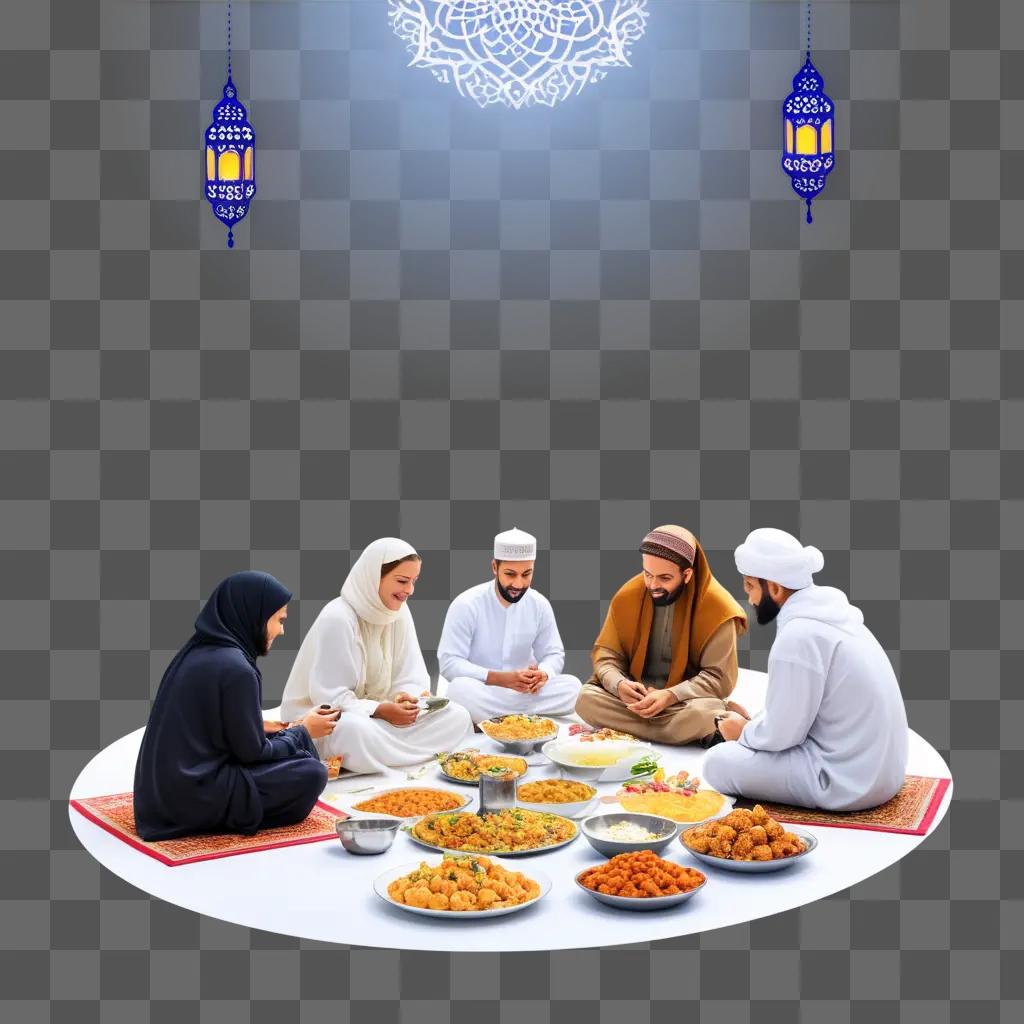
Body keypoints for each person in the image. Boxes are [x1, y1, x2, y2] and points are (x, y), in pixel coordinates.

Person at [702, 528, 909, 811]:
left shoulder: (798, 635)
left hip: (843, 781)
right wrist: (755, 724)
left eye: (750, 587)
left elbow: (784, 736)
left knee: (718, 762)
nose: (748, 599)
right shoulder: (838, 618)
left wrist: (742, 733)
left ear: (773, 587)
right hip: (886, 776)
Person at [133, 571, 333, 841]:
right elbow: (251, 754)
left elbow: (204, 727)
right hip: (193, 796)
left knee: (295, 753)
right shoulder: (237, 669)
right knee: (311, 772)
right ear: (255, 615)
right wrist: (303, 731)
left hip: (159, 797)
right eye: (279, 620)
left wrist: (260, 728)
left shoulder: (196, 651)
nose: (282, 630)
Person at [280, 538, 473, 774]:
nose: (409, 590)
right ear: (373, 578)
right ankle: (401, 757)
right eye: (402, 581)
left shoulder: (399, 612)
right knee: (353, 731)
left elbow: (409, 675)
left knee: (458, 715)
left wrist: (405, 698)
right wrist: (379, 710)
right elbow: (330, 697)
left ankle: (385, 758)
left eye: (414, 581)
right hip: (333, 719)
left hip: (384, 719)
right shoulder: (338, 617)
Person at [575, 525, 749, 745]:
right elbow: (607, 656)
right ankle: (706, 729)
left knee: (702, 713)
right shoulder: (628, 596)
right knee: (585, 699)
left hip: (684, 703)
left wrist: (670, 695)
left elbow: (719, 678)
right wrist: (619, 684)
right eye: (648, 575)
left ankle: (703, 722)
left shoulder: (718, 609)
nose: (653, 586)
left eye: (665, 578)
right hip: (635, 701)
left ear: (687, 574)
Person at [437, 527, 582, 724]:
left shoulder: (539, 604)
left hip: (525, 693)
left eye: (526, 574)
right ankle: (526, 718)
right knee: (458, 690)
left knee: (574, 687)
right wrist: (500, 679)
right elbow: (449, 663)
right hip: (482, 690)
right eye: (510, 574)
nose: (518, 584)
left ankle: (497, 719)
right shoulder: (466, 604)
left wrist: (543, 674)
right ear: (494, 567)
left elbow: (553, 654)